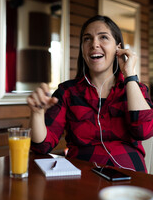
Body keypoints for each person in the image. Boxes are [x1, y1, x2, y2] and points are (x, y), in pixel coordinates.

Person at [27, 15, 153, 172]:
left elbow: (144, 131)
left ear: (117, 47)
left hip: (130, 178)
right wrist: (37, 114)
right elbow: (42, 147)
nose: (94, 44)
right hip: (81, 178)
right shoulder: (67, 92)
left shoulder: (135, 88)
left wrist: (129, 74)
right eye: (87, 39)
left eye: (103, 37)